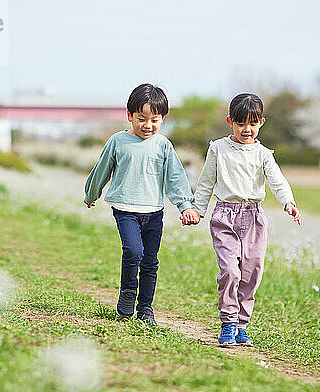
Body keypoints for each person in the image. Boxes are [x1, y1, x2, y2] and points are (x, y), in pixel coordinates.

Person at [84, 83, 200, 326]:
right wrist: (91, 194)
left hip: (154, 212)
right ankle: (128, 292)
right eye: (141, 119)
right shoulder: (118, 141)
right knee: (133, 251)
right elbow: (101, 170)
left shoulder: (163, 145)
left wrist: (185, 206)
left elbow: (176, 178)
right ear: (129, 116)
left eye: (154, 120)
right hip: (125, 210)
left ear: (163, 118)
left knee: (150, 261)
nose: (148, 125)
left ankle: (145, 308)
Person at [191, 93, 301, 346]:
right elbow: (206, 182)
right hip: (225, 216)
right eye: (241, 124)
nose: (246, 129)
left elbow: (277, 180)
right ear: (230, 121)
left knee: (252, 272)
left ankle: (242, 325)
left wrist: (289, 202)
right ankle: (228, 322)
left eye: (252, 123)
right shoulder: (218, 148)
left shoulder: (263, 154)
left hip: (254, 218)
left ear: (261, 122)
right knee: (230, 270)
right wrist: (198, 209)